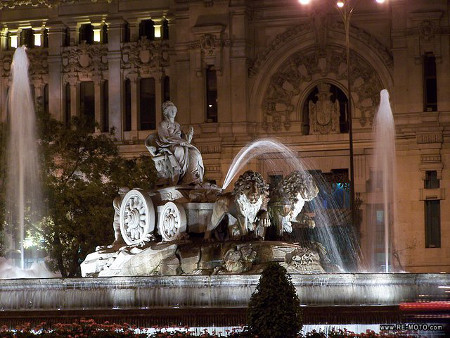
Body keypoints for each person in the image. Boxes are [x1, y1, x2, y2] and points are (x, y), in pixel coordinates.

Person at [150, 101, 204, 185]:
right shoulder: (163, 124)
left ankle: (190, 176)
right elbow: (165, 138)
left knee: (194, 153)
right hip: (168, 145)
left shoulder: (177, 125)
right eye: (171, 110)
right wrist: (180, 141)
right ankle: (179, 174)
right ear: (166, 112)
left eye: (174, 111)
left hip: (180, 144)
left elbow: (182, 138)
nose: (173, 112)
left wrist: (188, 136)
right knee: (179, 150)